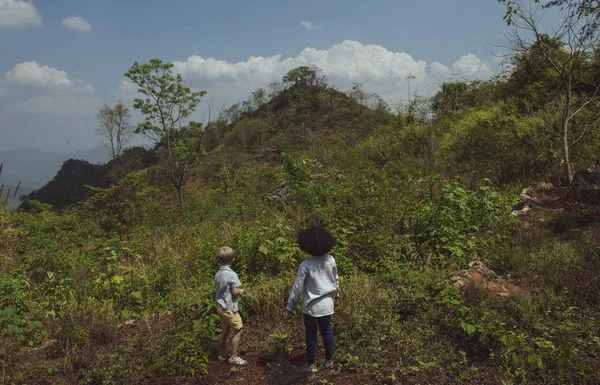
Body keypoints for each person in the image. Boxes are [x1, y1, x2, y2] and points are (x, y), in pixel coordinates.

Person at [286, 226, 339, 373]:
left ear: (307, 245)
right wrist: (337, 295)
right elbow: (335, 280)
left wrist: (290, 307)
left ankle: (312, 364)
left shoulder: (306, 265)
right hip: (327, 305)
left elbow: (297, 288)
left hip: (311, 308)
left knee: (311, 334)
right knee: (327, 332)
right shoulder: (331, 260)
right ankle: (330, 360)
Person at [214, 246, 247, 366]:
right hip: (229, 309)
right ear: (233, 259)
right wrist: (241, 291)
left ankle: (222, 356)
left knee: (225, 330)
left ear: (219, 260)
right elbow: (234, 292)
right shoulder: (232, 274)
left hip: (220, 308)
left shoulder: (218, 273)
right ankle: (234, 357)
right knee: (238, 329)